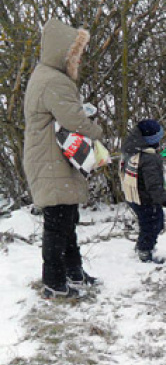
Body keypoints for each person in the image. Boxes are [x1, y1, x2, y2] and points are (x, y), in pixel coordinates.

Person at [23, 18, 104, 299]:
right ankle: (55, 283)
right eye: (76, 53)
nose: (78, 59)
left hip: (50, 160)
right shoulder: (54, 81)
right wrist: (96, 130)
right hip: (50, 161)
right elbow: (75, 120)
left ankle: (73, 273)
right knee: (58, 224)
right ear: (64, 53)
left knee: (66, 219)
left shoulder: (44, 75)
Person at [120, 119, 166, 264]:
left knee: (148, 223)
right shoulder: (149, 159)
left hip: (133, 195)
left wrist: (158, 156)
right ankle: (144, 251)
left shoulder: (132, 149)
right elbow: (153, 185)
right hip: (146, 198)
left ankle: (143, 246)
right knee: (152, 224)